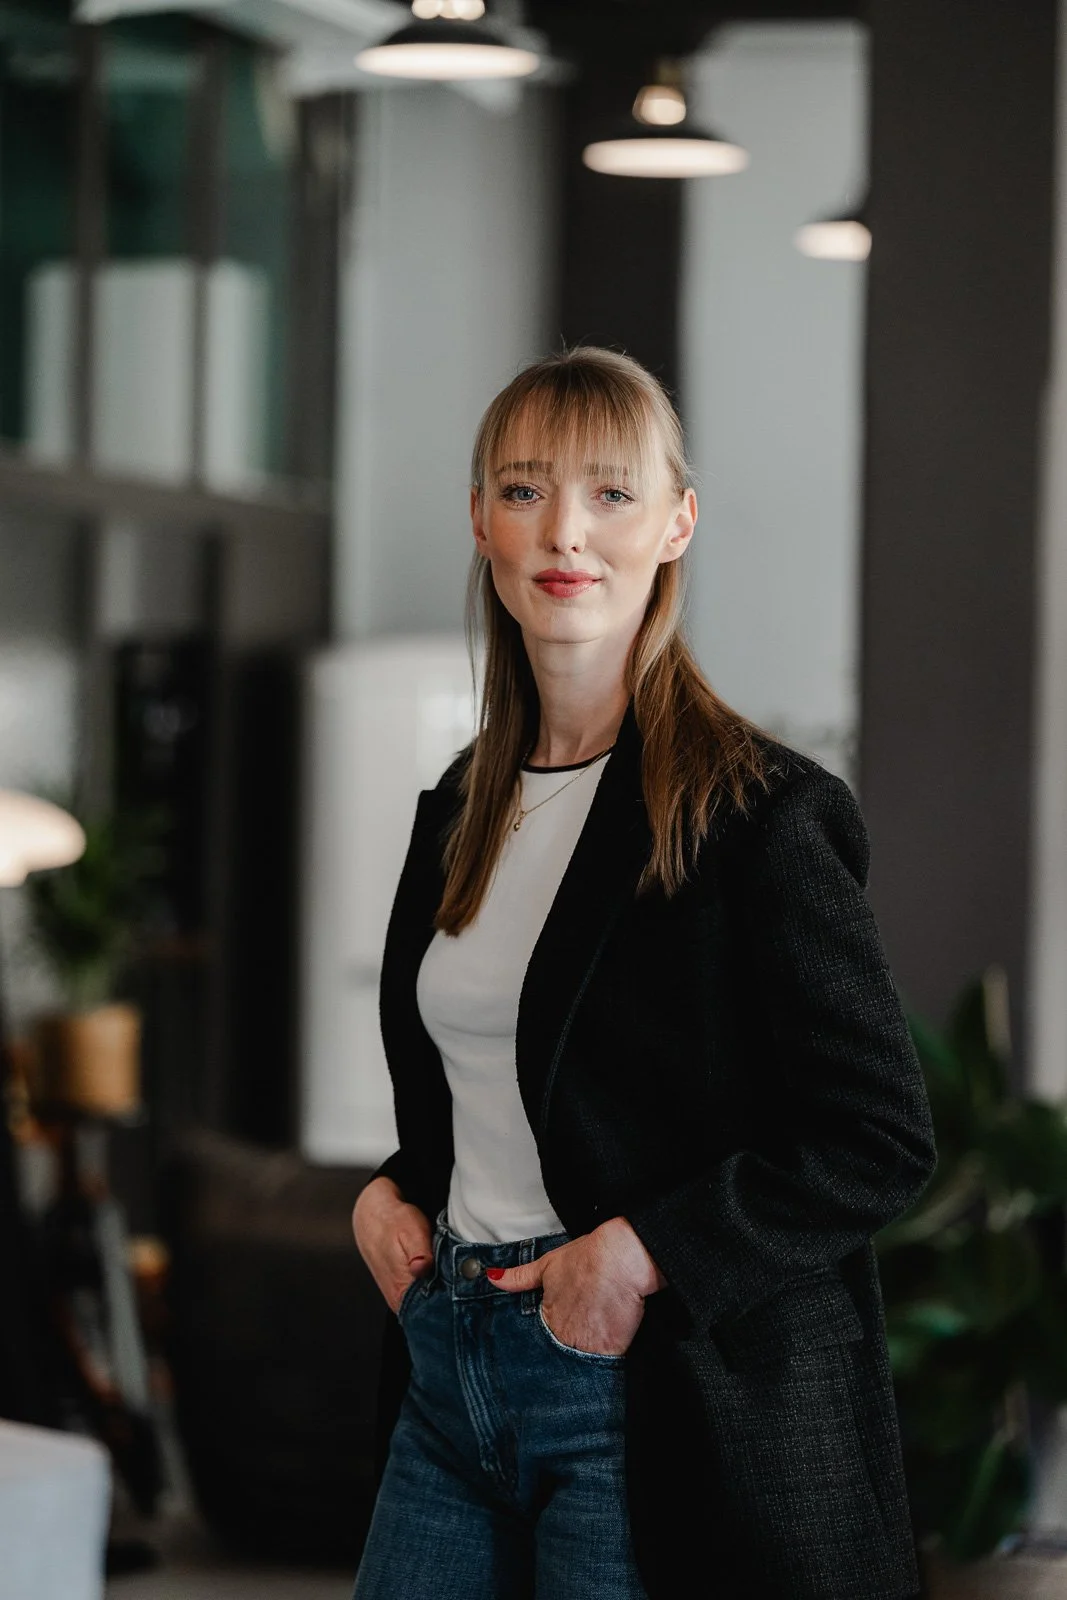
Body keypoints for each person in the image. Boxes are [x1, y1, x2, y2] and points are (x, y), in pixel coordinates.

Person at [350, 346, 936, 1600]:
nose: (564, 529)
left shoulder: (758, 815)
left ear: (676, 523)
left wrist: (639, 1257)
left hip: (639, 1382)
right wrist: (390, 1191)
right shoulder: (459, 807)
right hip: (452, 1359)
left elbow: (877, 1135)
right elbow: (516, 1090)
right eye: (523, 490)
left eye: (611, 494)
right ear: (479, 523)